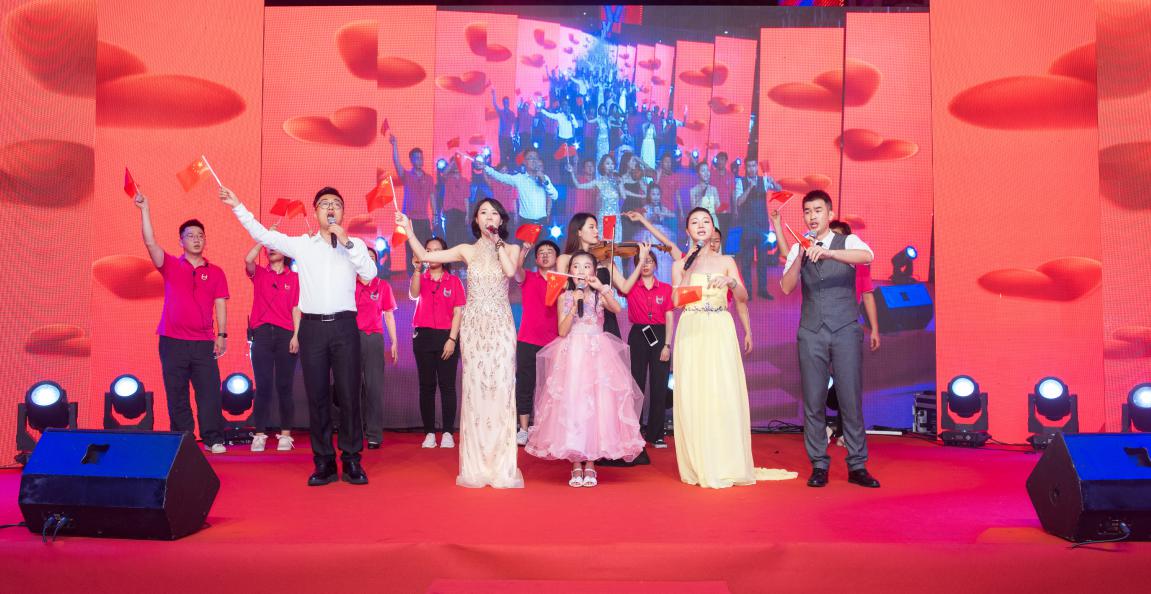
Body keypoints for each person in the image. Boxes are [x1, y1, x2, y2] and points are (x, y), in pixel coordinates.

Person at [220, 186, 377, 486]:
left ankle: (352, 460)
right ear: (316, 212)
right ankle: (324, 462)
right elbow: (263, 235)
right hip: (313, 328)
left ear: (342, 212)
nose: (330, 208)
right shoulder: (303, 245)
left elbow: (369, 275)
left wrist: (346, 241)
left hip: (345, 326)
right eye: (324, 204)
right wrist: (238, 205)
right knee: (317, 396)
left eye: (336, 204)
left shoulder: (354, 244)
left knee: (348, 395)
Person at [396, 198, 525, 489]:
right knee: (476, 390)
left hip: (501, 326)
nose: (489, 217)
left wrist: (498, 242)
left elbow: (509, 271)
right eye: (483, 213)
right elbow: (426, 257)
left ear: (501, 220)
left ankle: (501, 465)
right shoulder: (466, 250)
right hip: (474, 327)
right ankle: (476, 465)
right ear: (475, 220)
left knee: (502, 388)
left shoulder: (512, 249)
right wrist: (409, 231)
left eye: (494, 213)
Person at [672, 207, 797, 488]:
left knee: (721, 391)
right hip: (692, 328)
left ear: (713, 226)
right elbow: (677, 301)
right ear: (687, 230)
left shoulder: (726, 260)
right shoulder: (680, 265)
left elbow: (742, 296)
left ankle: (725, 461)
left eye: (706, 221)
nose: (701, 226)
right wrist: (691, 272)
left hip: (719, 327)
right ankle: (699, 462)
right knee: (694, 393)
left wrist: (730, 282)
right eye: (695, 222)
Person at [779, 191, 880, 489]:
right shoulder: (798, 247)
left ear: (829, 213)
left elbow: (868, 256)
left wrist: (829, 253)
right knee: (813, 401)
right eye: (807, 211)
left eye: (818, 210)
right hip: (811, 331)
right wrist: (800, 256)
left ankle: (857, 465)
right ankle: (819, 464)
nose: (812, 216)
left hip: (845, 328)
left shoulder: (846, 241)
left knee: (850, 398)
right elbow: (786, 287)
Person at [525, 251, 646, 487]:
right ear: (570, 271)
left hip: (598, 353)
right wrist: (573, 307)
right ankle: (575, 463)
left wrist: (602, 288)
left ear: (593, 271)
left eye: (587, 266)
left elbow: (617, 309)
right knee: (574, 405)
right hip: (573, 354)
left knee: (598, 405)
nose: (581, 271)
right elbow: (562, 331)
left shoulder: (600, 295)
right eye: (577, 266)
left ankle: (590, 462)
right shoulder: (564, 296)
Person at [135, 191, 228, 454]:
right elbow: (150, 242)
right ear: (181, 241)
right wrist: (145, 210)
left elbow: (221, 303)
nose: (196, 239)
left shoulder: (216, 272)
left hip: (203, 343)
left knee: (209, 392)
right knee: (177, 393)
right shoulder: (170, 265)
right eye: (190, 236)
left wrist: (222, 335)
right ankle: (185, 440)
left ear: (205, 240)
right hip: (172, 341)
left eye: (200, 236)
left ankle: (213, 438)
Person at [243, 235, 300, 452]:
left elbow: (296, 308)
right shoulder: (260, 273)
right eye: (269, 247)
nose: (271, 249)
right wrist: (263, 239)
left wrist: (296, 335)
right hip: (262, 334)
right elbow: (248, 259)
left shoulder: (294, 278)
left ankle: (285, 434)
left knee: (285, 386)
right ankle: (259, 434)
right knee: (263, 385)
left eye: (276, 246)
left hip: (286, 334)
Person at [408, 237, 465, 448]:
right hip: (423, 337)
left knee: (447, 386)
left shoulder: (454, 281)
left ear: (445, 254)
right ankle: (429, 433)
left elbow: (458, 312)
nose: (432, 254)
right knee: (426, 386)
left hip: (446, 337)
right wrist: (416, 270)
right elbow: (413, 294)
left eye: (436, 250)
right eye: (428, 250)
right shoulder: (420, 277)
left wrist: (452, 339)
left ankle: (448, 432)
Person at [617, 244, 675, 448]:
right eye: (642, 262)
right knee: (636, 383)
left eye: (649, 261)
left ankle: (656, 434)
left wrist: (667, 345)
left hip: (659, 335)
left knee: (659, 385)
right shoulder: (630, 287)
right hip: (638, 335)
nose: (646, 265)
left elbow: (669, 317)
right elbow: (620, 285)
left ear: (656, 264)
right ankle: (635, 430)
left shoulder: (666, 288)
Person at [513, 240, 560, 445]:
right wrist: (524, 249)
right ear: (536, 258)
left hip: (554, 342)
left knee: (551, 388)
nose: (546, 254)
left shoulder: (562, 281)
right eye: (541, 252)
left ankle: (546, 428)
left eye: (550, 251)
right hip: (527, 340)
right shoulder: (528, 277)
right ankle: (523, 429)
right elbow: (516, 270)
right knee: (525, 384)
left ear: (557, 258)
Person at [356, 247, 398, 450]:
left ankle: (373, 434)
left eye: (372, 257)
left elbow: (388, 314)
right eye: (365, 257)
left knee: (374, 388)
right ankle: (354, 434)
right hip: (351, 340)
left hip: (374, 339)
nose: (368, 260)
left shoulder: (383, 286)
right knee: (351, 389)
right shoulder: (348, 284)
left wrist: (394, 341)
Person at [734, 159, 783, 301]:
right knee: (747, 260)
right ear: (746, 168)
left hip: (762, 227)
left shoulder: (764, 180)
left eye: (754, 166)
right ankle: (748, 291)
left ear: (757, 167)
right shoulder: (740, 182)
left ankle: (762, 289)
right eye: (749, 166)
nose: (751, 168)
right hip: (748, 227)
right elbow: (739, 202)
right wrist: (749, 187)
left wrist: (774, 183)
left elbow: (779, 189)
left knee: (762, 259)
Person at [390, 134, 435, 273]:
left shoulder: (429, 178)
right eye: (416, 158)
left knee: (425, 248)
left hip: (424, 219)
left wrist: (435, 215)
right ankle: (412, 277)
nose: (420, 160)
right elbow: (397, 163)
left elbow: (432, 197)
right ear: (411, 160)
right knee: (410, 250)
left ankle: (425, 275)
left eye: (421, 157)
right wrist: (395, 145)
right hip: (409, 219)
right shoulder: (407, 175)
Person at [484, 148, 558, 229]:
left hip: (542, 222)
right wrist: (485, 167)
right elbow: (500, 177)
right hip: (526, 223)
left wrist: (545, 181)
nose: (534, 161)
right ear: (524, 162)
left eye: (536, 158)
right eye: (530, 158)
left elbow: (555, 196)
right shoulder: (519, 179)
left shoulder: (544, 178)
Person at [567, 155, 624, 241]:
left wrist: (620, 183)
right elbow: (579, 185)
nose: (610, 166)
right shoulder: (598, 182)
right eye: (608, 163)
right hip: (606, 217)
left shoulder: (617, 181)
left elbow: (623, 196)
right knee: (607, 244)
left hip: (616, 217)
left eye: (612, 164)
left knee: (616, 244)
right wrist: (572, 172)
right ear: (602, 166)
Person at [439, 158, 470, 248]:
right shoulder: (448, 178)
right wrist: (453, 161)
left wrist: (467, 214)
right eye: (454, 164)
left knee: (461, 238)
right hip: (450, 211)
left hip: (461, 212)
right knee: (450, 238)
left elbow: (466, 198)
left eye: (457, 163)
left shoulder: (465, 181)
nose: (456, 165)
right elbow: (443, 173)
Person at [491, 89, 517, 168]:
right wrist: (494, 95)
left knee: (511, 154)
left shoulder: (512, 113)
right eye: (505, 102)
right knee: (503, 154)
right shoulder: (501, 112)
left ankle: (511, 169)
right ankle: (503, 170)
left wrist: (515, 133)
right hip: (502, 137)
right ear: (503, 103)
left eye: (508, 102)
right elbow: (495, 105)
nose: (507, 104)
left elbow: (515, 124)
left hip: (509, 137)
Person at [689, 162, 720, 228]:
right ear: (698, 174)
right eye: (703, 171)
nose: (706, 173)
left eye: (707, 170)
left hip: (712, 222)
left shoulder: (713, 189)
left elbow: (718, 207)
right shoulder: (693, 191)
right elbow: (693, 210)